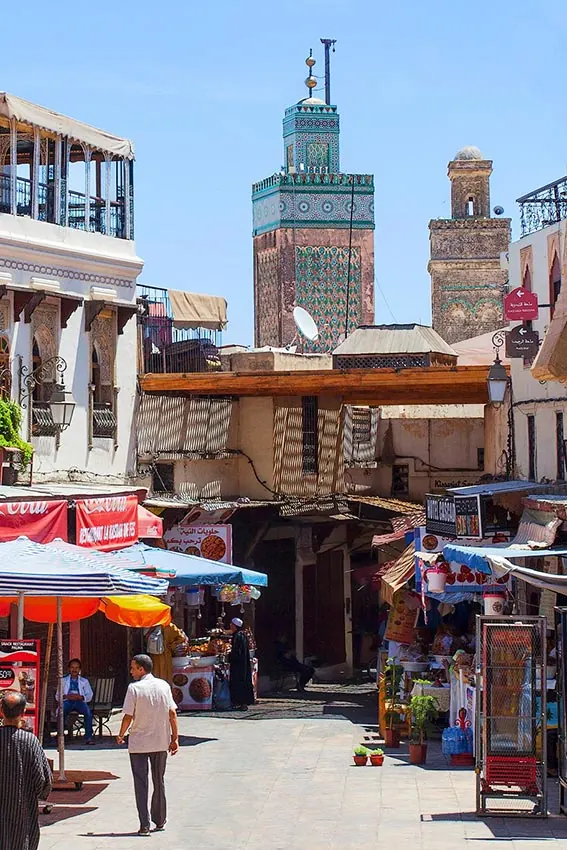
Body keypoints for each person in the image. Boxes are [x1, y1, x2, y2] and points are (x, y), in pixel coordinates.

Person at [117, 654, 179, 836]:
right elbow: (172, 714)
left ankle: (144, 825)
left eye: (133, 667)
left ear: (141, 669)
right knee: (158, 781)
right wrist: (174, 738)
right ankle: (159, 820)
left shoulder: (134, 689)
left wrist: (121, 734)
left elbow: (128, 716)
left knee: (141, 783)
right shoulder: (164, 686)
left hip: (139, 743)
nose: (131, 671)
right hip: (160, 741)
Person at [0, 691, 52, 850]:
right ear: (23, 713)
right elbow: (43, 781)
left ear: (1, 711)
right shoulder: (30, 741)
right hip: (22, 816)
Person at [56, 658, 94, 745]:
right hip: (67, 701)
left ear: (79, 669)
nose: (74, 670)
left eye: (77, 668)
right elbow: (58, 695)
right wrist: (66, 696)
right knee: (61, 712)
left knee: (88, 712)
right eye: (72, 667)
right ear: (69, 669)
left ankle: (88, 737)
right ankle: (60, 737)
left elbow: (89, 695)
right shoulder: (63, 681)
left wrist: (81, 697)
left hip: (79, 702)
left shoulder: (84, 681)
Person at [228, 617, 255, 710]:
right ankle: (243, 702)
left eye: (231, 624)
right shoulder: (243, 635)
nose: (230, 626)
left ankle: (240, 702)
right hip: (243, 663)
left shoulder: (237, 636)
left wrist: (230, 657)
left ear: (235, 626)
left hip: (238, 664)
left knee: (238, 682)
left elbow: (236, 651)